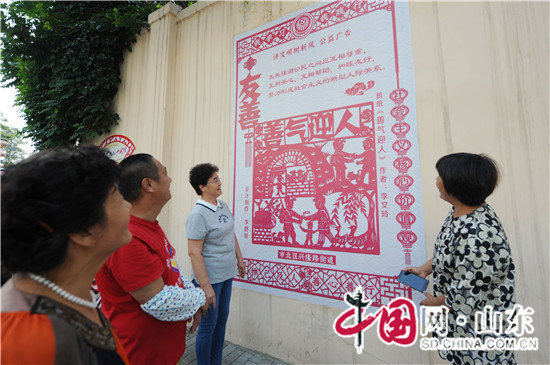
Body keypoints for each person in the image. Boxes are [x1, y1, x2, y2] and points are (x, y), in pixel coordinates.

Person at [1, 145, 131, 364]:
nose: (128, 206)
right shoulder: (26, 338)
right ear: (84, 230)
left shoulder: (71, 294)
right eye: (119, 200)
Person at [404, 153, 516, 364]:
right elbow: (449, 252)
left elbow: (468, 291)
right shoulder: (461, 211)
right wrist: (424, 269)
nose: (436, 180)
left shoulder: (477, 235)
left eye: (440, 176)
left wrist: (435, 302)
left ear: (456, 186)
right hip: (460, 327)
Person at [95, 154, 206, 365]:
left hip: (164, 353)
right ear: (148, 184)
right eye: (165, 173)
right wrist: (200, 299)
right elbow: (159, 301)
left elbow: (171, 265)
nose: (170, 179)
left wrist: (191, 298)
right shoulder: (126, 237)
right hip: (136, 356)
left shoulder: (149, 224)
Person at [187, 163, 246, 365]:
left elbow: (231, 233)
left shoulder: (223, 206)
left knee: (221, 321)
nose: (219, 182)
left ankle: (216, 361)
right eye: (215, 179)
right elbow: (194, 253)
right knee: (208, 325)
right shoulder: (198, 215)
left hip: (226, 274)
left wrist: (239, 258)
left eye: (218, 178)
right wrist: (205, 287)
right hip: (210, 279)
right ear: (202, 187)